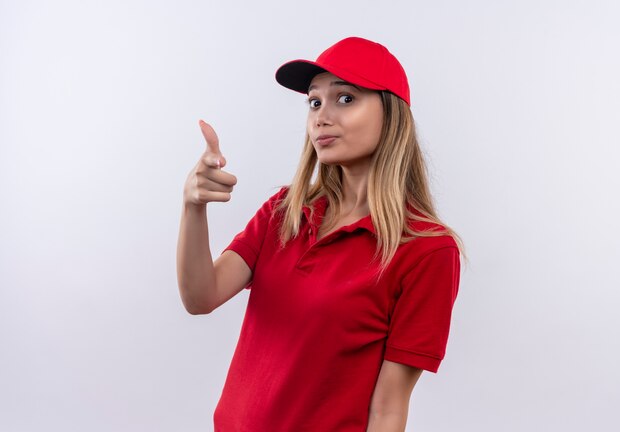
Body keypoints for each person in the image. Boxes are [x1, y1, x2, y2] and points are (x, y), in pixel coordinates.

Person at [177, 36, 462, 432]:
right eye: (314, 101)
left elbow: (388, 409)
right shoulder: (285, 211)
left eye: (345, 98)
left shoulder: (427, 251)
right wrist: (193, 207)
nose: (321, 117)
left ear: (392, 114)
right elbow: (200, 297)